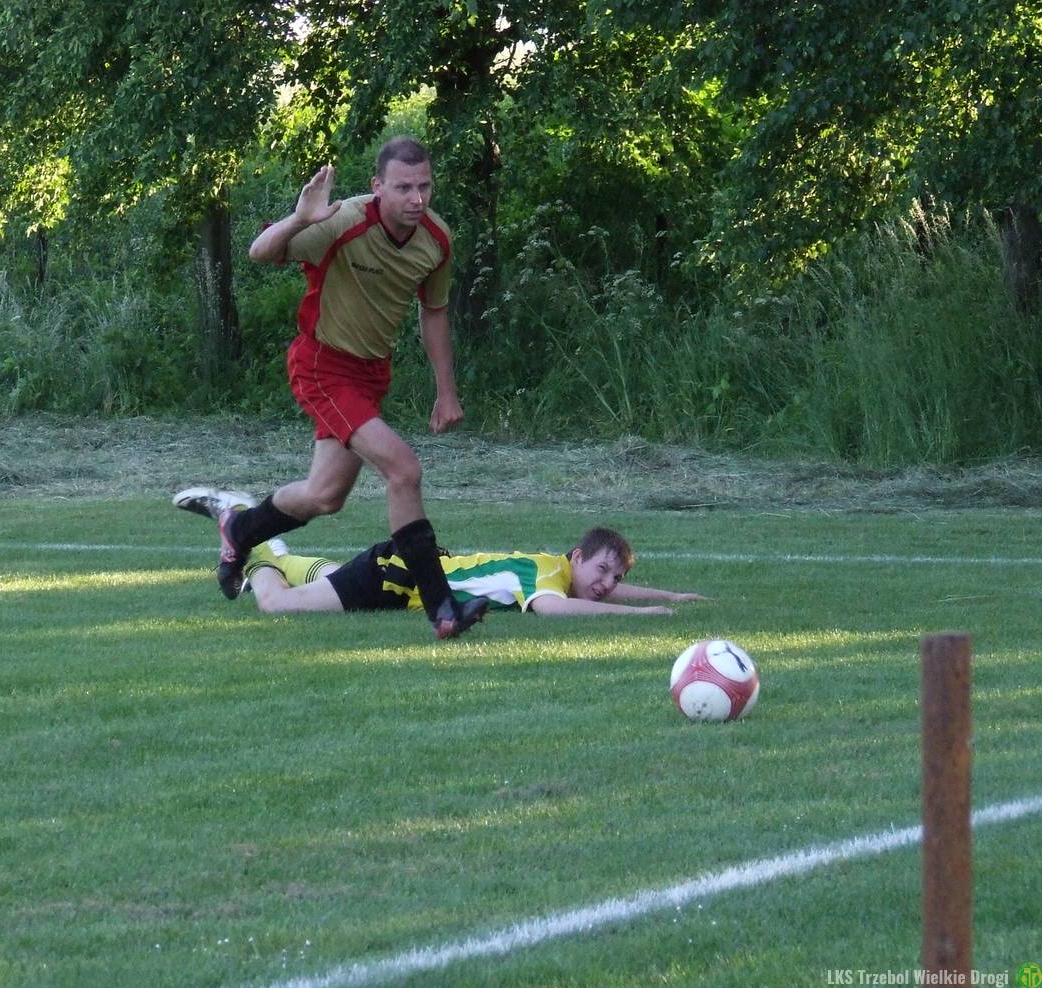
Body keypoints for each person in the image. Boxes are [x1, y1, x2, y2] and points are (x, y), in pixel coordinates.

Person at [176, 136, 483, 640]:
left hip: (370, 374)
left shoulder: (436, 239)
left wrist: (446, 391)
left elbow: (435, 312)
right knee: (404, 469)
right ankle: (443, 607)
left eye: (425, 186)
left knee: (324, 496)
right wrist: (300, 219)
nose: (417, 199)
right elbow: (259, 252)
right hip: (323, 366)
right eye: (403, 187)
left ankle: (240, 528)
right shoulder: (343, 221)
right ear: (377, 186)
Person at [174, 487, 706, 618]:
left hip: (400, 572)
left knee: (328, 577)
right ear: (576, 556)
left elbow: (592, 591)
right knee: (276, 604)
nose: (608, 585)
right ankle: (248, 534)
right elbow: (554, 608)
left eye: (616, 578)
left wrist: (670, 595)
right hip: (395, 578)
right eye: (603, 570)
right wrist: (642, 614)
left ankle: (269, 544)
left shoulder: (555, 570)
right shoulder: (544, 576)